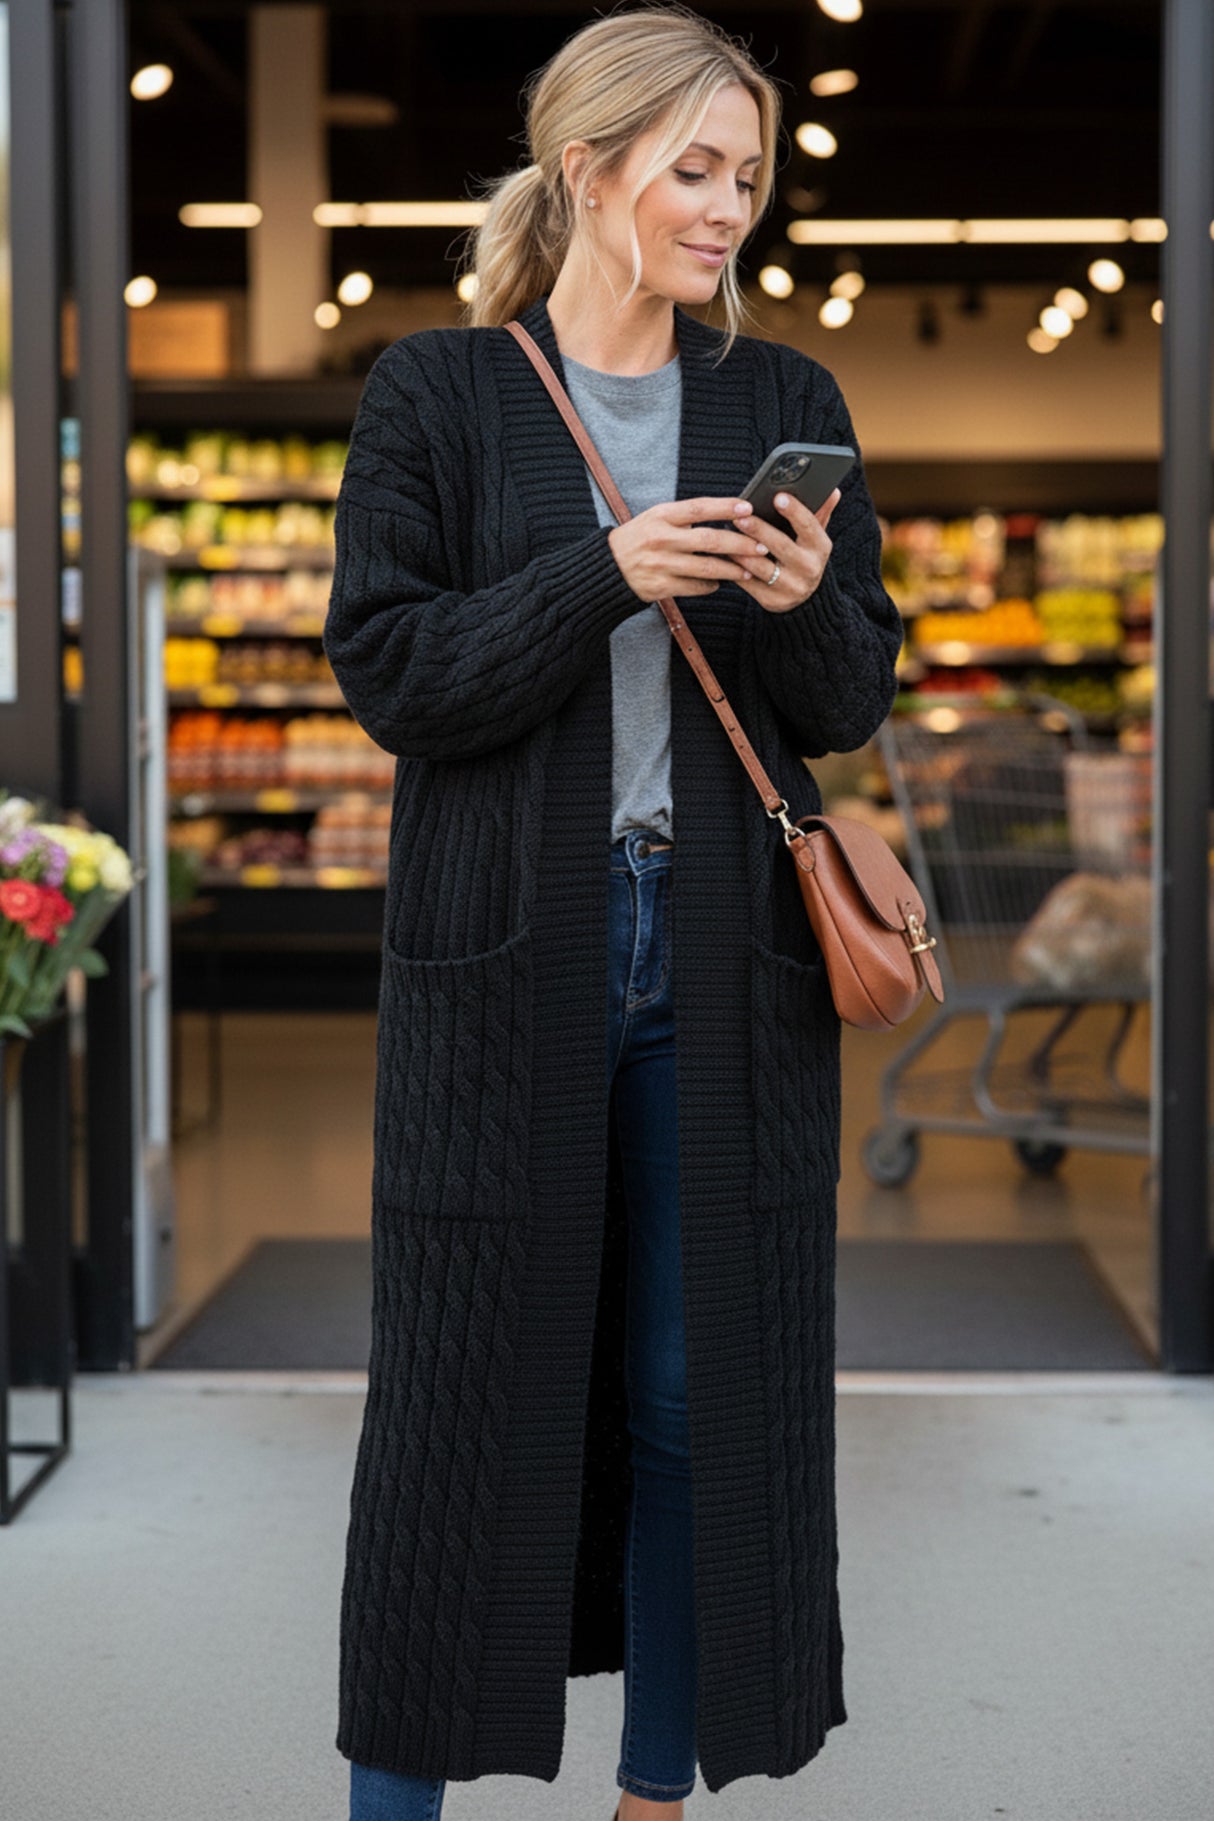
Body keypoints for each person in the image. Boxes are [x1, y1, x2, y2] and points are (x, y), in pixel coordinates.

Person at [324, 6, 904, 1818]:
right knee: (452, 1415)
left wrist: (804, 599)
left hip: (728, 968)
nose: (730, 208)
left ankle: (654, 1799)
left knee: (687, 1394)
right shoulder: (435, 390)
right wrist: (603, 574)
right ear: (590, 170)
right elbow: (394, 671)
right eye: (697, 172)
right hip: (507, 967)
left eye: (750, 176)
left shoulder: (784, 402)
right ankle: (394, 1802)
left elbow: (848, 697)